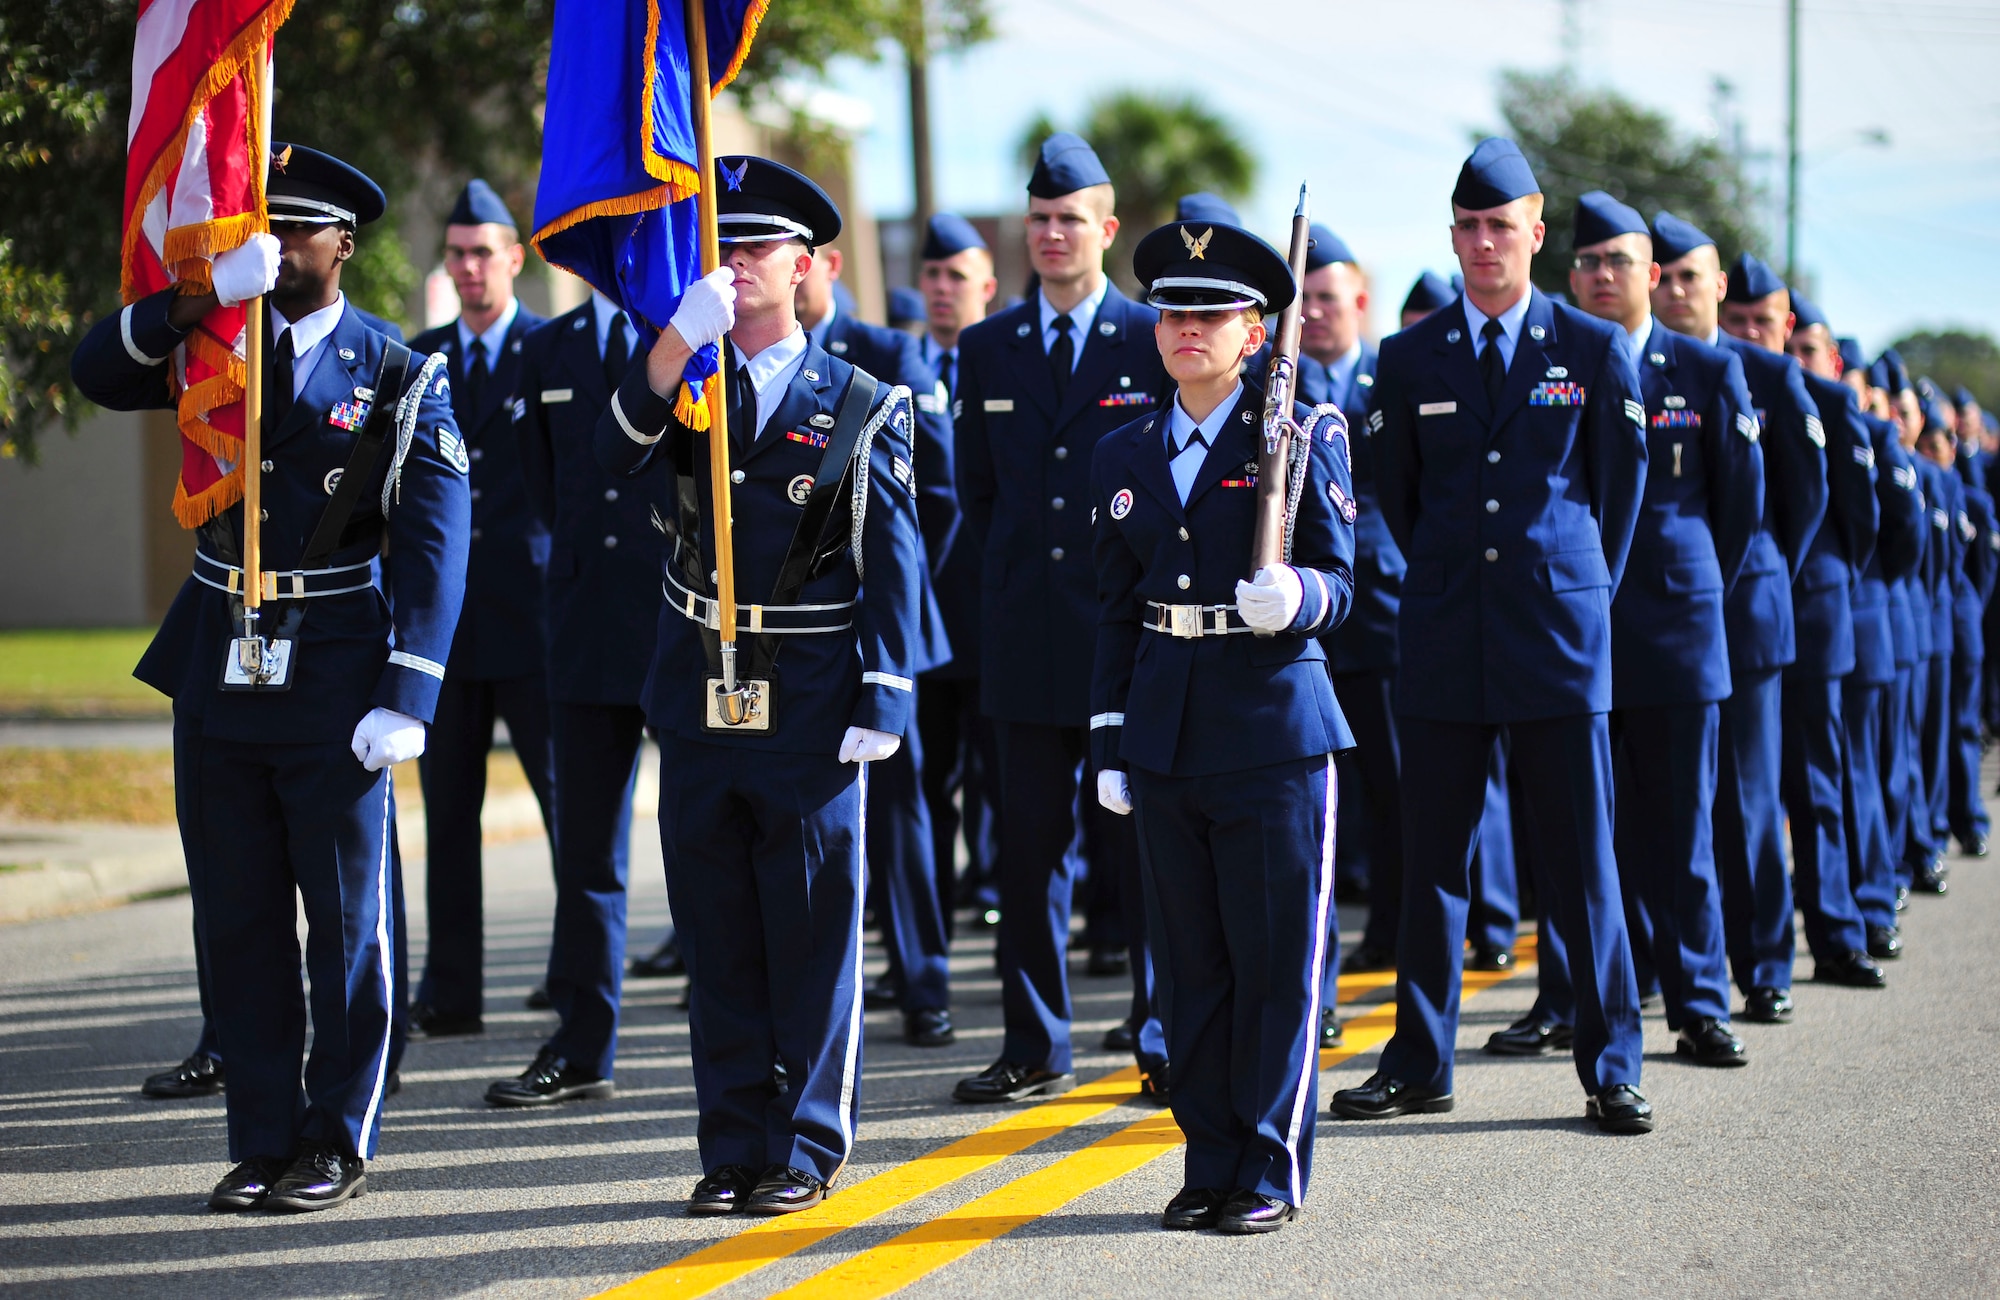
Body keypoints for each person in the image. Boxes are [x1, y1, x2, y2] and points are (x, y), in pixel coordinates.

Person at [73, 143, 468, 1210]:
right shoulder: (211, 347)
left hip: (336, 666)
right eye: (266, 223)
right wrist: (199, 294)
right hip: (219, 656)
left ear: (345, 244)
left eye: (299, 227)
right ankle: (260, 1135)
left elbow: (437, 538)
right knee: (235, 918)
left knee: (346, 922)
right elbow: (95, 372)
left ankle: (337, 1135)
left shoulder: (397, 374)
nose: (277, 243)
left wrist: (411, 692)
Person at [594, 156, 920, 1216]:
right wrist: (671, 346)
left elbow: (893, 554)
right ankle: (733, 1141)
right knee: (718, 931)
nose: (733, 264)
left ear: (808, 266)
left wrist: (885, 691)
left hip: (814, 693)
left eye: (754, 247)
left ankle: (808, 1145)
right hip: (699, 693)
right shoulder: (681, 381)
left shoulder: (863, 401)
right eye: (719, 246)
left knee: (813, 930)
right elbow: (612, 457)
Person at [1330, 139, 1653, 1135]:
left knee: (1578, 859)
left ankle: (1609, 1064)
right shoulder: (1407, 355)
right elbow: (1405, 492)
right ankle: (1420, 1058)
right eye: (1465, 228)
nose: (1481, 245)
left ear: (1534, 234)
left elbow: (1617, 492)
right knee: (1431, 859)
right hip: (1440, 633)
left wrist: (1577, 590)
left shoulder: (1590, 349)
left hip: (1555, 637)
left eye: (1498, 227)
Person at [1091, 218, 1354, 1235]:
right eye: (1171, 311)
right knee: (1190, 968)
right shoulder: (1124, 449)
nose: (1186, 327)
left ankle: (1268, 1166)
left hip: (1271, 727)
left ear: (1255, 331)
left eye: (1210, 312)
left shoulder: (1299, 433)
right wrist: (1109, 739)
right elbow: (1111, 611)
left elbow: (1348, 581)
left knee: (1272, 961)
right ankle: (1207, 1158)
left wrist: (1297, 593)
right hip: (1164, 730)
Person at [953, 133, 1170, 1104]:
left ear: (1105, 229)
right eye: (1037, 219)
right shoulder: (984, 345)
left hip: (1122, 636)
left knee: (1143, 848)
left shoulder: (1148, 336)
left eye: (1067, 219)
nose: (1049, 234)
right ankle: (1032, 1042)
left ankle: (1160, 1031)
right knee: (1026, 849)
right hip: (1026, 636)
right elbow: (981, 495)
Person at [1560, 192, 1762, 1065]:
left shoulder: (1707, 370)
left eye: (1621, 262)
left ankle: (1701, 1002)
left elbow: (1740, 509)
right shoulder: (1557, 361)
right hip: (1579, 631)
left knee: (1683, 832)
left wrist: (1683, 578)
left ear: (1650, 275)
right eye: (1589, 264)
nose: (1605, 278)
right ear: (1570, 274)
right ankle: (1608, 996)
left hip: (1678, 629)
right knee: (1599, 835)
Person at [1649, 214, 1840, 1019]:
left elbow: (1805, 501)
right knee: (1671, 800)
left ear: (1719, 286)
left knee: (1750, 797)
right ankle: (1680, 959)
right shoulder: (1636, 367)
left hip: (1748, 611)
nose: (1676, 290)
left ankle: (1764, 963)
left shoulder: (1768, 375)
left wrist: (1757, 577)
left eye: (1692, 276)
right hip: (1663, 617)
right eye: (1665, 276)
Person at [485, 288, 669, 1106]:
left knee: (715, 843)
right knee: (587, 851)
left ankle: (745, 1041)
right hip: (585, 626)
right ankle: (582, 1042)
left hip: (678, 621)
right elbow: (546, 488)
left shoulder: (684, 332)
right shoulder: (546, 347)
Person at [795, 234, 961, 1049]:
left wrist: (896, 607)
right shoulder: (732, 357)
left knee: (899, 812)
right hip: (787, 635)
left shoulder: (889, 353)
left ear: (826, 264)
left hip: (873, 631)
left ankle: (922, 982)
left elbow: (939, 496)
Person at [406, 180, 555, 1035]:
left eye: (481, 253)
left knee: (566, 811)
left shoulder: (551, 350)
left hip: (535, 621)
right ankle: (451, 991)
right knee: (449, 819)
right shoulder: (420, 361)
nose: (467, 267)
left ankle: (575, 977)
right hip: (449, 629)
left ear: (513, 259)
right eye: (456, 253)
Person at [1719, 254, 1885, 992]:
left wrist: (1790, 575)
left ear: (1788, 327)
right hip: (1739, 612)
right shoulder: (1705, 380)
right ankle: (1750, 945)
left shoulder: (1821, 397)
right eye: (1739, 321)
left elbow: (1846, 516)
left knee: (1816, 785)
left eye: (1764, 322)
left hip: (1809, 605)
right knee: (1741, 790)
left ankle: (1839, 933)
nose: (1750, 334)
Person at [1793, 303, 1924, 965]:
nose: (1795, 362)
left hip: (1849, 618)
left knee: (1852, 778)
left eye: (1808, 351)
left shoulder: (1864, 428)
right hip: (1773, 624)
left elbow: (1896, 534)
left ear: (1833, 363)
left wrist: (1848, 587)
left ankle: (1869, 909)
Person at [915, 213, 1001, 934]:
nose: (944, 291)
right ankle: (931, 918)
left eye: (958, 278)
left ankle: (996, 889)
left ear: (987, 289)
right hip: (920, 617)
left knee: (1000, 780)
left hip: (991, 614)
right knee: (925, 783)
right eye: (934, 277)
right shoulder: (894, 366)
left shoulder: (1003, 360)